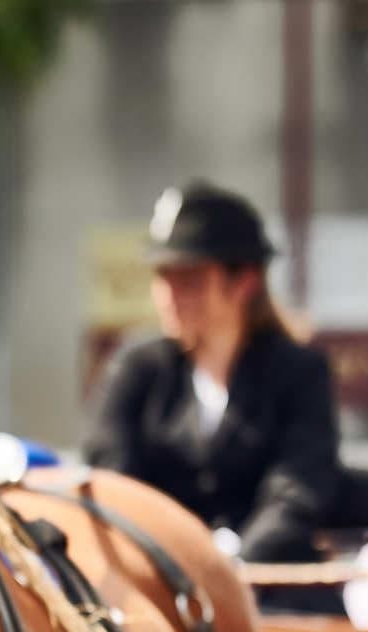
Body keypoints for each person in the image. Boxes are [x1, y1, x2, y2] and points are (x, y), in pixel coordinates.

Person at [83, 181, 341, 565]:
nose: (170, 295)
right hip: (156, 585)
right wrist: (175, 568)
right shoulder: (135, 368)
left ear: (244, 282)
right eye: (162, 278)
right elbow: (115, 482)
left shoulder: (299, 372)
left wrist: (235, 570)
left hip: (269, 587)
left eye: (190, 279)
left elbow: (296, 492)